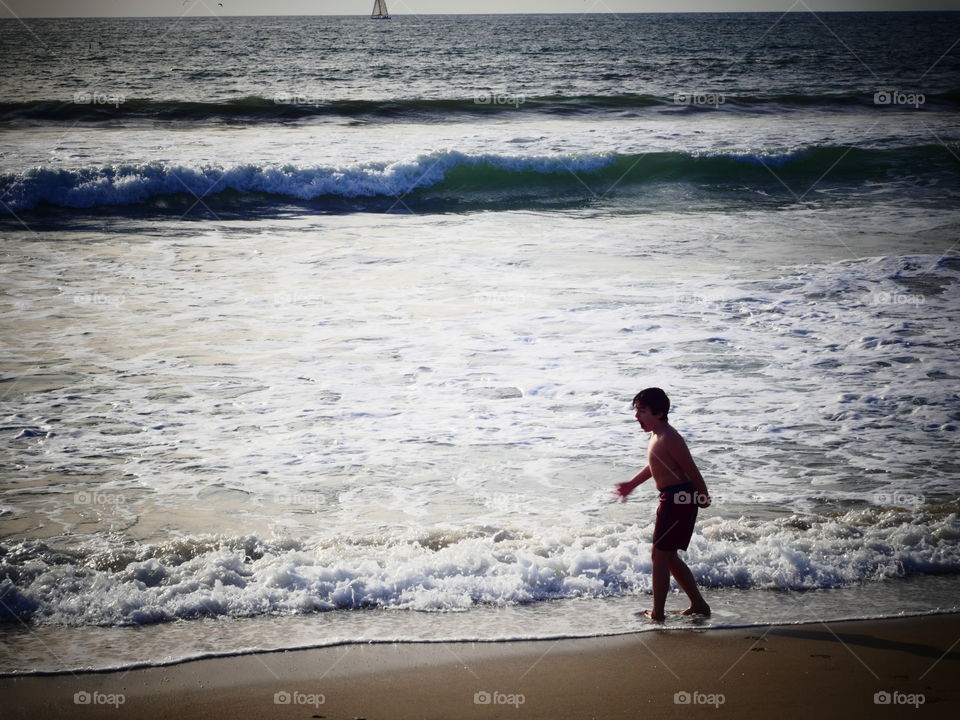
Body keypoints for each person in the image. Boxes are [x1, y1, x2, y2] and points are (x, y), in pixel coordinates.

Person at [614, 388, 711, 621]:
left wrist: (703, 496)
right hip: (671, 498)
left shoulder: (670, 437)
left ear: (658, 413)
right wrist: (631, 484)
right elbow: (654, 466)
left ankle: (658, 613)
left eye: (642, 411)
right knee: (668, 557)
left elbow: (691, 469)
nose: (637, 416)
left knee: (659, 556)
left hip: (679, 499)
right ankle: (699, 604)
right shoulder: (656, 436)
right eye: (637, 411)